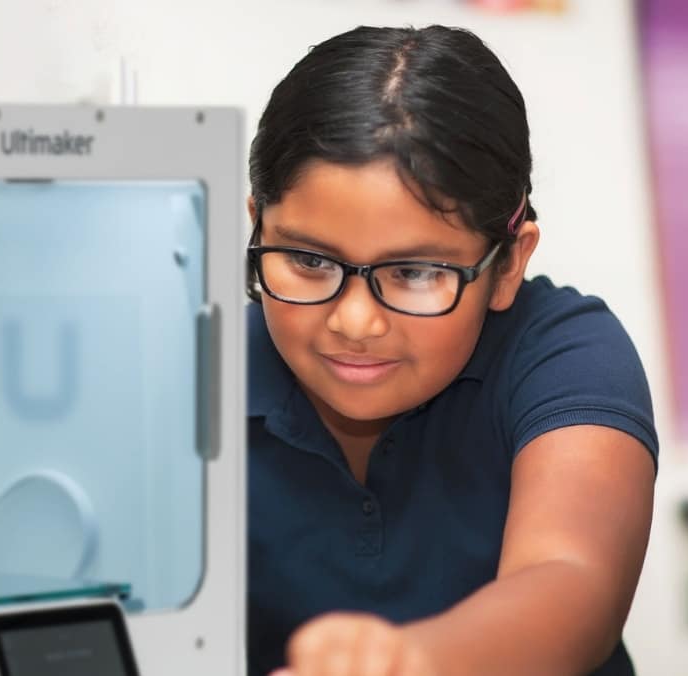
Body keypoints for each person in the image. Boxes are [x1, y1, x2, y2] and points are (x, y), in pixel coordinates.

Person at [245, 25, 657, 676]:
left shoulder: (564, 353)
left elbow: (573, 580)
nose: (355, 321)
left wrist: (408, 662)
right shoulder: (199, 375)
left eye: (413, 273)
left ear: (509, 264)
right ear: (256, 225)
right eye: (305, 259)